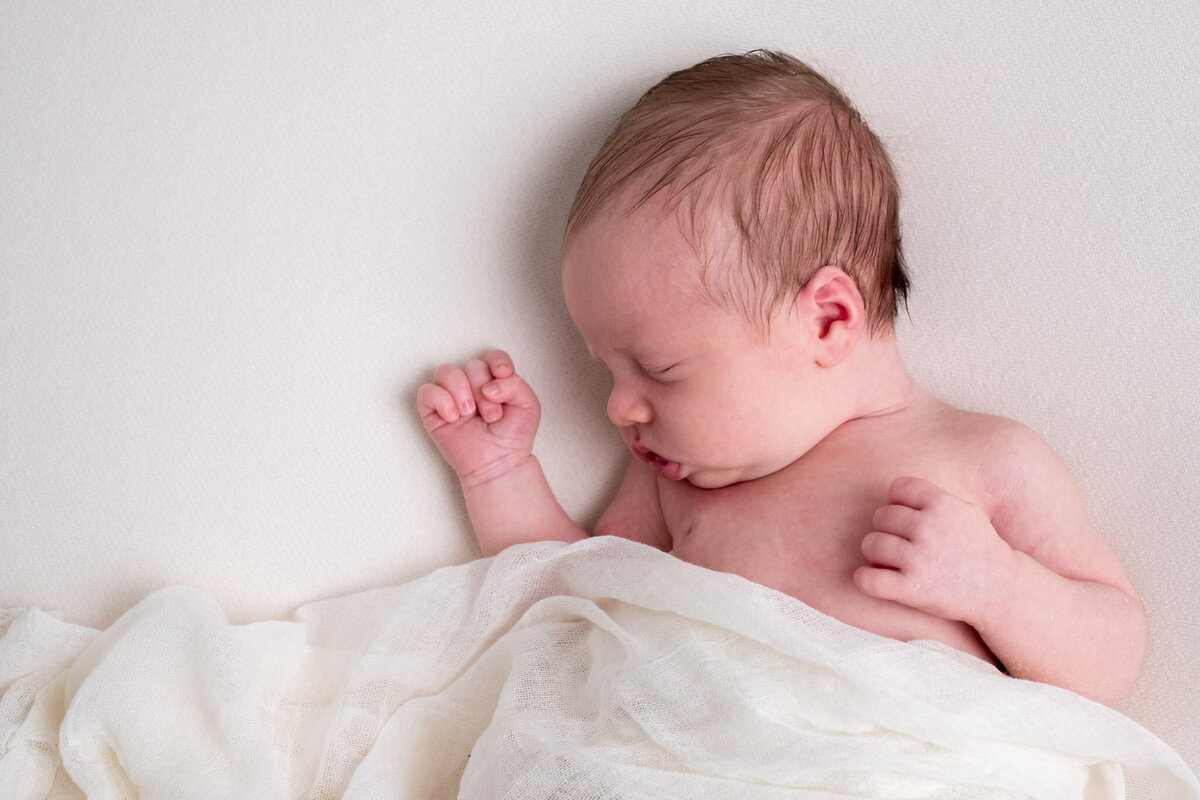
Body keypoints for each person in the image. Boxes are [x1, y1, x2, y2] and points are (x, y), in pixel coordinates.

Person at [417, 51, 1146, 704]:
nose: (621, 408)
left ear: (828, 320)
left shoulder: (983, 459)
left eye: (659, 369)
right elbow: (573, 596)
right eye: (607, 371)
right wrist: (501, 473)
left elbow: (1113, 654)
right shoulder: (676, 482)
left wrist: (1000, 588)